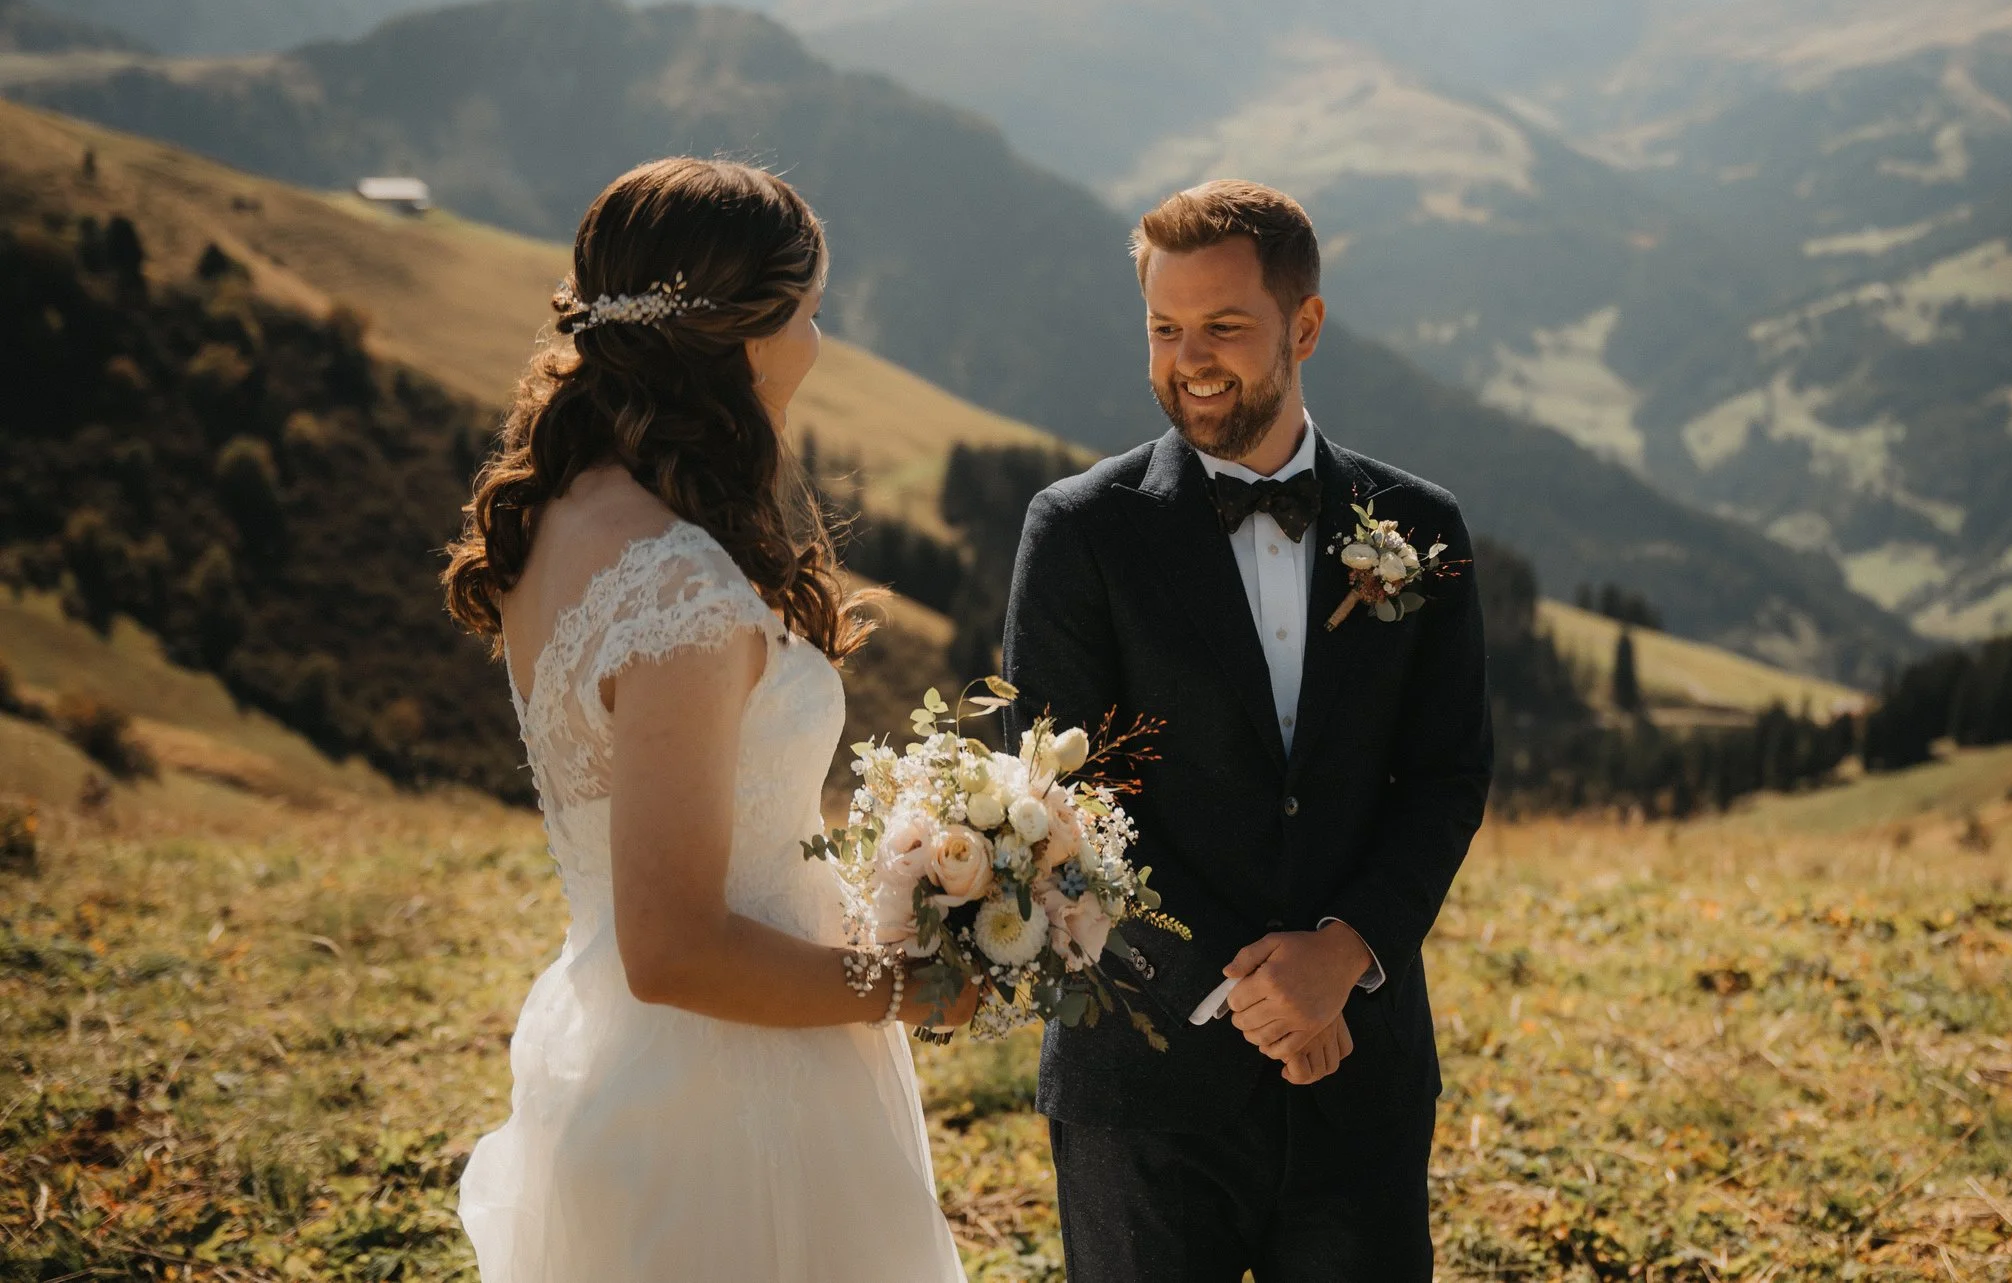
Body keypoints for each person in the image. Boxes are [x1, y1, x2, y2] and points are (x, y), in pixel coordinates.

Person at [442, 157, 973, 1282]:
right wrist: (907, 987)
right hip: (733, 1104)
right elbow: (675, 946)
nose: (818, 346)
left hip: (648, 1069)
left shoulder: (571, 513)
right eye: (811, 314)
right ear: (745, 333)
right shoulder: (674, 585)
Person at [1001, 179, 1492, 1281]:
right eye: (1164, 328)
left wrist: (1345, 951)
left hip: (1359, 1075)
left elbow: (1448, 773)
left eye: (1224, 324)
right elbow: (1069, 802)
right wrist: (1265, 995)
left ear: (1304, 325)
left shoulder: (1420, 526)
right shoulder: (1078, 531)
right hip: (1144, 1077)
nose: (1191, 356)